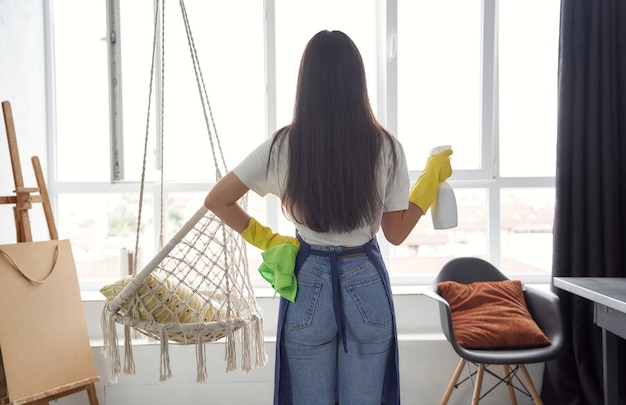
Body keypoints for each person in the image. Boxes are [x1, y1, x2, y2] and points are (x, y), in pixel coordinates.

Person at [204, 30, 452, 405]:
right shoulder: (385, 146)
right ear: (358, 81)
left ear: (306, 83)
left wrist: (266, 238)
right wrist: (428, 182)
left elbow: (218, 200)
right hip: (365, 281)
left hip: (308, 281)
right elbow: (396, 233)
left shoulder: (282, 146)